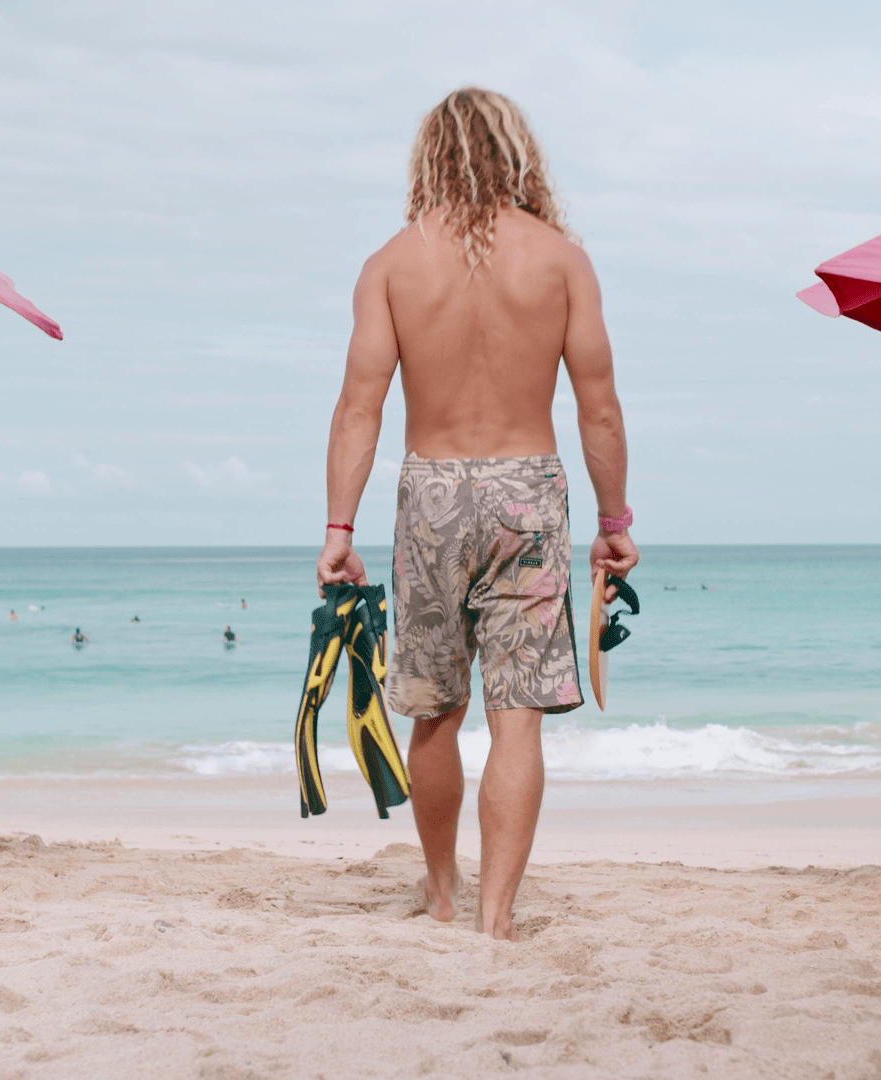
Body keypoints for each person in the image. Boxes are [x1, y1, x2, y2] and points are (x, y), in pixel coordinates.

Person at [316, 89, 639, 940]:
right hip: (528, 491)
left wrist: (339, 531)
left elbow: (358, 409)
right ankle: (496, 920)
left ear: (431, 156)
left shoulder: (392, 264)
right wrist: (614, 523)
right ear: (518, 153)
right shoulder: (562, 261)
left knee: (435, 709)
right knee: (516, 717)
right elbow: (600, 410)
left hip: (430, 490)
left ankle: (442, 894)